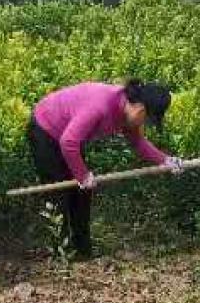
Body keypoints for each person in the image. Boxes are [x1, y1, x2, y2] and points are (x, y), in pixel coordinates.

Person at [26, 79, 184, 259]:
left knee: (83, 192)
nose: (144, 124)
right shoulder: (101, 106)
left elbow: (138, 143)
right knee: (58, 194)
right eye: (146, 120)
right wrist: (83, 175)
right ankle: (60, 254)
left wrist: (166, 160)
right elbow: (68, 142)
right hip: (45, 128)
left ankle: (83, 252)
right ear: (140, 109)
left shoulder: (127, 112)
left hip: (68, 134)